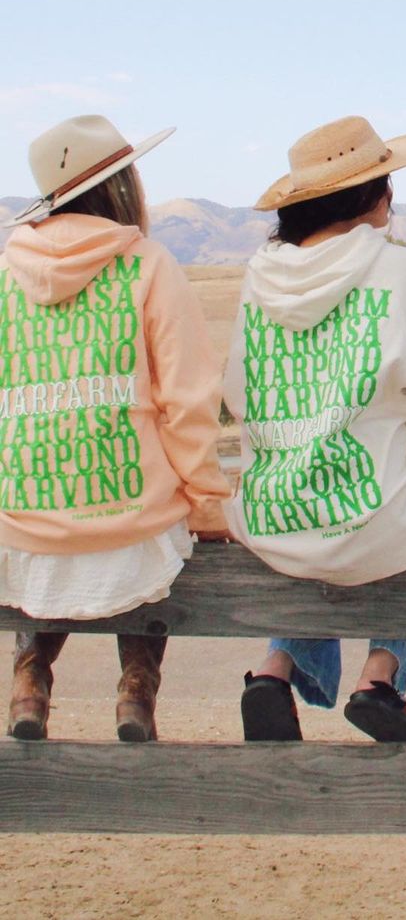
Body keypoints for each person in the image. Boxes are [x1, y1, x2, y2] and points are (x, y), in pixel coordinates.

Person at [1, 114, 232, 741]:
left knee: (55, 552)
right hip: (128, 518)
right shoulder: (148, 265)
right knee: (156, 539)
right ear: (120, 187)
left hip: (23, 523)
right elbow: (186, 402)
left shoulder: (6, 276)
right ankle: (135, 689)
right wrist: (207, 505)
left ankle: (29, 680)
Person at [223, 116, 406, 742]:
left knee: (324, 535)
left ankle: (273, 672)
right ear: (373, 193)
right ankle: (379, 678)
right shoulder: (405, 271)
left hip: (273, 513)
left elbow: (239, 392)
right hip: (373, 516)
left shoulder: (258, 276)